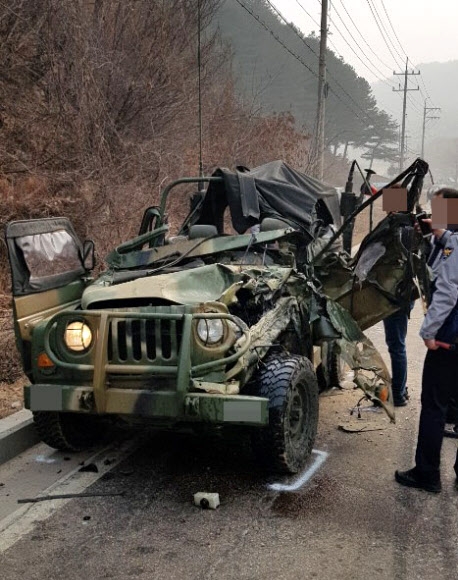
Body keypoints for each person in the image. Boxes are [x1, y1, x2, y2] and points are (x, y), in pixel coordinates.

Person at [395, 188, 458, 493]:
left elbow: (447, 292)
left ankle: (427, 474)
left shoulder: (454, 246)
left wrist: (428, 332)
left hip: (449, 342)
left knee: (434, 406)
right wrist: (434, 234)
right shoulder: (448, 239)